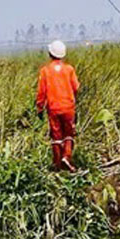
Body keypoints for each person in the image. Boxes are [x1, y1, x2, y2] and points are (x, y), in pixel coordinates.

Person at [36, 41, 80, 171]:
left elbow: (41, 92)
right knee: (69, 133)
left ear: (50, 53)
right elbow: (76, 87)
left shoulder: (45, 71)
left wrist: (39, 107)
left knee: (56, 136)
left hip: (53, 108)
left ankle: (57, 166)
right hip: (68, 107)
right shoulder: (69, 69)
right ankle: (66, 157)